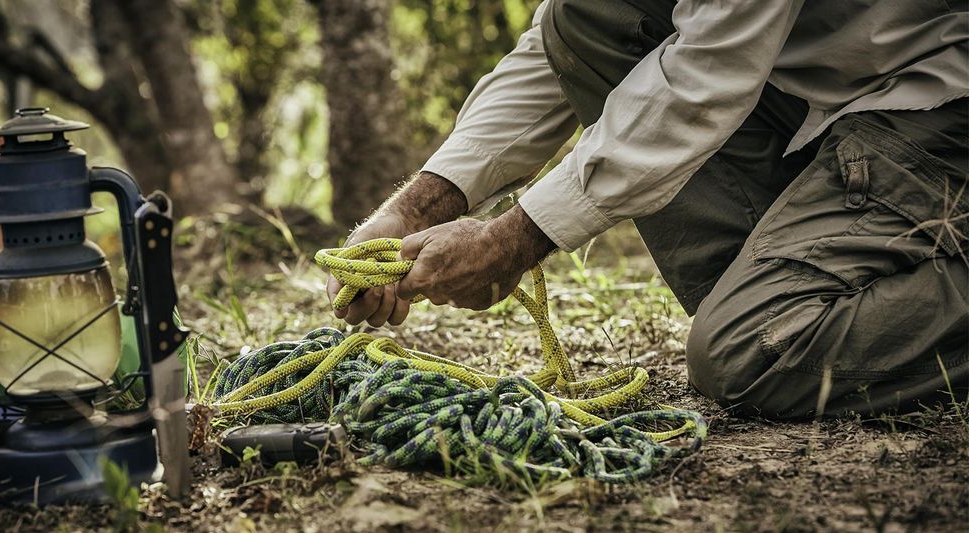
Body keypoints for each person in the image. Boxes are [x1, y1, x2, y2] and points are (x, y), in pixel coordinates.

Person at [324, 0, 968, 419]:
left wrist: (513, 240)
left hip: (936, 104)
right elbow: (553, 53)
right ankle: (786, 289)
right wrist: (415, 209)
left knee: (752, 353)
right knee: (585, 19)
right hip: (827, 100)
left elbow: (703, 74)